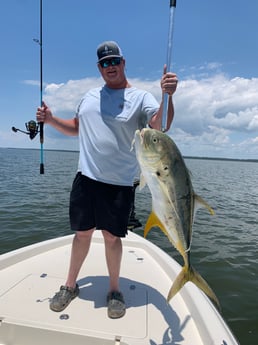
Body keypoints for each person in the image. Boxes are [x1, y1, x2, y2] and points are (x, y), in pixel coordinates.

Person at [36, 41, 178, 319]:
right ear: (99, 68)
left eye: (114, 61)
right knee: (82, 234)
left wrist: (168, 96)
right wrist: (51, 119)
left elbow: (160, 127)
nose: (110, 66)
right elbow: (77, 128)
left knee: (112, 238)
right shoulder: (89, 96)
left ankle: (115, 290)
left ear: (124, 63)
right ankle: (69, 285)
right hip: (86, 178)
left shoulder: (140, 97)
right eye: (104, 63)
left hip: (120, 183)